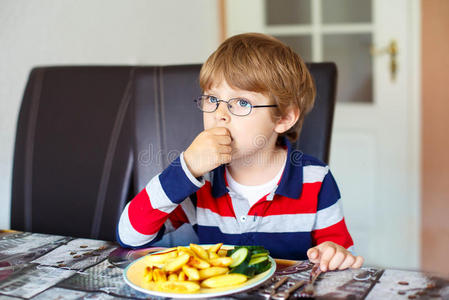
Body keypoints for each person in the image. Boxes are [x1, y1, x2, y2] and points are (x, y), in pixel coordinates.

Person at [117, 33, 364, 272]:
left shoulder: (316, 180)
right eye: (212, 99)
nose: (219, 114)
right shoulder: (199, 181)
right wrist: (186, 169)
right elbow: (130, 236)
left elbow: (338, 256)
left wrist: (333, 253)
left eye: (242, 103)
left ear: (284, 118)